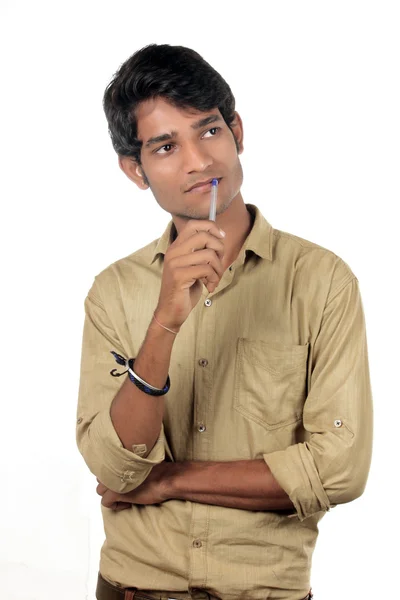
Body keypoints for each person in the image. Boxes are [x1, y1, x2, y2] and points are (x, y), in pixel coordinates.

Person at [76, 43, 373, 600]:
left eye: (208, 130)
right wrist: (165, 320)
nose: (198, 161)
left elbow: (339, 471)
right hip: (132, 588)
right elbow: (116, 470)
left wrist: (165, 482)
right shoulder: (114, 292)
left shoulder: (323, 281)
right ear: (134, 170)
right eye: (165, 146)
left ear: (237, 130)